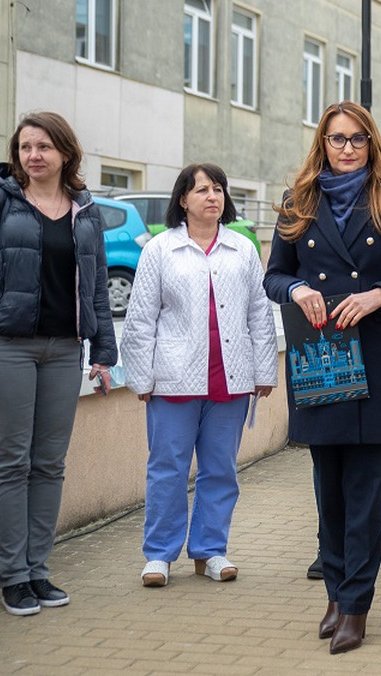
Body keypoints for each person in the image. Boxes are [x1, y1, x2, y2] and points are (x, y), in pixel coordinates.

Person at [263, 101, 381, 654]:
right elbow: (274, 275)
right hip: (320, 354)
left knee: (366, 492)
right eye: (337, 139)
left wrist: (380, 293)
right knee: (328, 488)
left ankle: (357, 604)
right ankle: (334, 592)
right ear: (323, 142)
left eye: (358, 139)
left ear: (372, 143)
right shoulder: (298, 200)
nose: (347, 148)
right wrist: (297, 290)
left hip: (376, 354)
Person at [0, 111, 116, 616]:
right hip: (6, 346)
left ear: (66, 152)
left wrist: (104, 352)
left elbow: (98, 290)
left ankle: (39, 571)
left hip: (65, 349)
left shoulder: (85, 211)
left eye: (43, 146)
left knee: (50, 464)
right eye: (25, 147)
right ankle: (13, 577)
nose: (33, 156)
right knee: (11, 460)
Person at [121, 163, 278, 588]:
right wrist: (141, 378)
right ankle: (159, 554)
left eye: (219, 189)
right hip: (173, 378)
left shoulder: (242, 249)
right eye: (202, 190)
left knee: (221, 469)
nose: (213, 196)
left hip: (231, 379)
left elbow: (260, 315)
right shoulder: (160, 249)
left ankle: (210, 549)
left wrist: (264, 370)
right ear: (182, 200)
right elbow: (139, 319)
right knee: (167, 467)